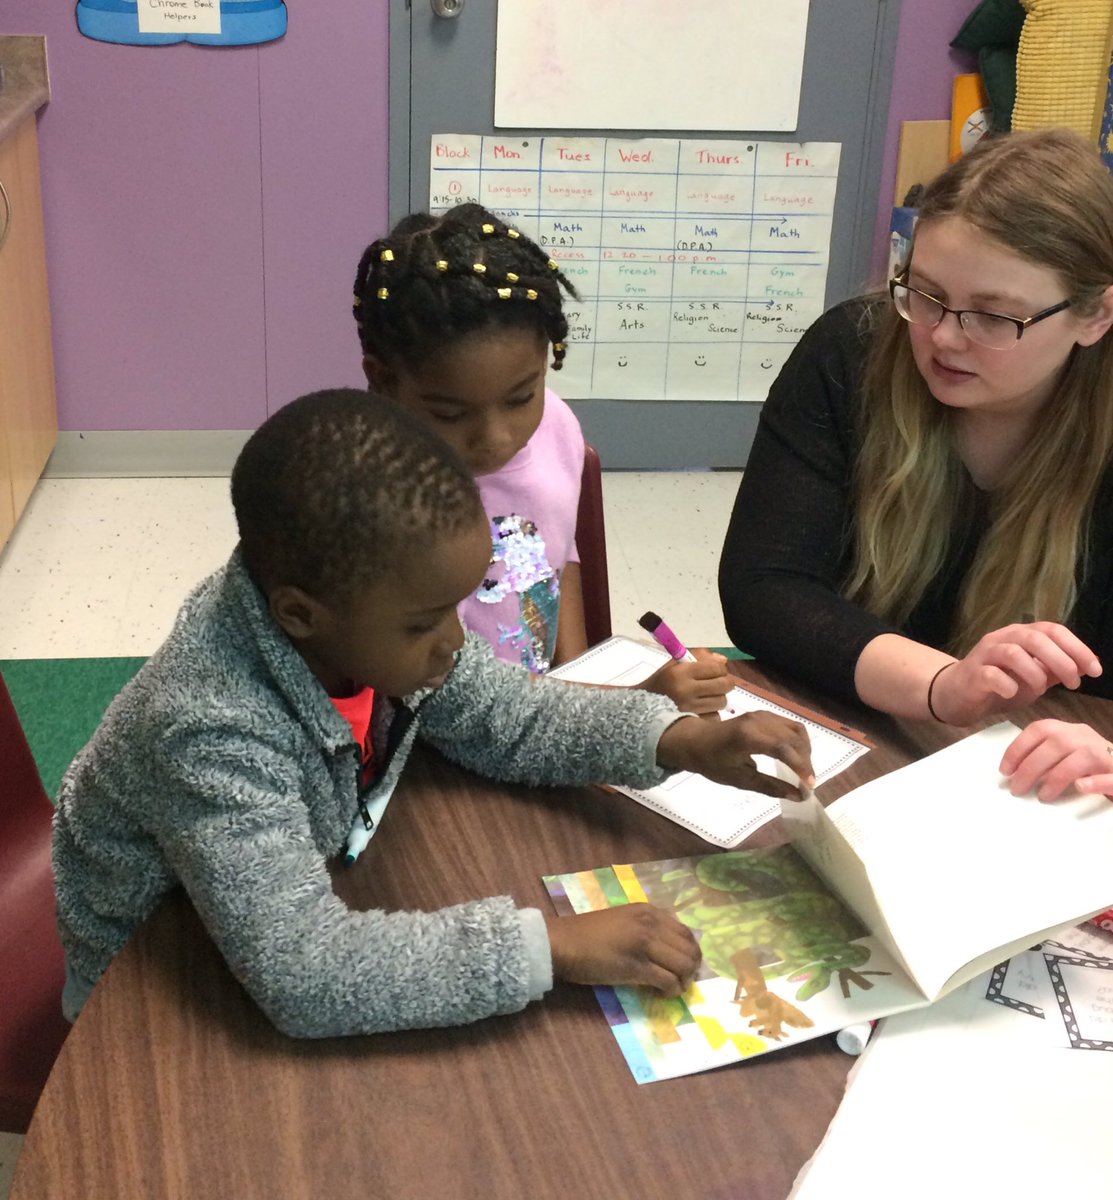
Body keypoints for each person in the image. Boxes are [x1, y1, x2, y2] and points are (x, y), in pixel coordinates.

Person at [54, 389, 814, 1038]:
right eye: (424, 623)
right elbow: (305, 974)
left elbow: (508, 715)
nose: (454, 642)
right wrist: (548, 945)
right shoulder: (210, 728)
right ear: (299, 614)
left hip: (268, 902)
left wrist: (677, 739)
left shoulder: (363, 618)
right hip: (153, 987)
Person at [718, 128, 1113, 805]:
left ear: (1094, 315)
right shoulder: (852, 352)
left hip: (1049, 784)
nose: (941, 337)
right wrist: (944, 687)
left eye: (993, 316)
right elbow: (764, 588)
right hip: (864, 741)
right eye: (923, 293)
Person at [353, 202, 732, 715]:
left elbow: (558, 557)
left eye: (520, 397)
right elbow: (426, 698)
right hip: (432, 737)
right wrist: (619, 707)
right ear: (381, 379)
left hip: (543, 721)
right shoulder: (367, 492)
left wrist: (578, 681)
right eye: (450, 412)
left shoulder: (557, 426)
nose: (496, 437)